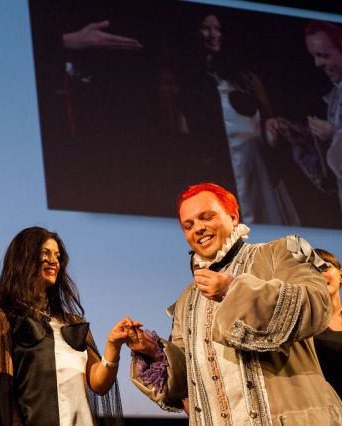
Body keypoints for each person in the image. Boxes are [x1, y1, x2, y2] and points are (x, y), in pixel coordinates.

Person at [124, 183, 342, 424]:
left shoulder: (279, 254)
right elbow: (188, 382)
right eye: (189, 225)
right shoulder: (188, 299)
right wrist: (152, 351)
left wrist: (233, 290)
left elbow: (317, 304)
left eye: (206, 217)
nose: (198, 228)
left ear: (233, 216)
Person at [0, 227, 126, 426]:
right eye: (45, 254)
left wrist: (113, 345)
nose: (54, 261)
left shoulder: (75, 324)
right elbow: (2, 393)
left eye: (57, 255)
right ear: (24, 259)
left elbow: (99, 384)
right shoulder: (2, 317)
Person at [172, 12, 298, 226]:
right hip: (214, 172)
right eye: (206, 28)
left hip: (256, 171)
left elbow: (266, 122)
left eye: (218, 29)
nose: (213, 34)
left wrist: (274, 128)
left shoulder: (245, 79)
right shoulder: (183, 81)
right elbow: (180, 132)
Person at [267, 20, 342, 216]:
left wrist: (334, 132)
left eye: (324, 55)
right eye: (314, 56)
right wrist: (305, 139)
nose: (317, 64)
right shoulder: (334, 95)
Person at [313, 248, 342, 397]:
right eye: (313, 270)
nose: (320, 274)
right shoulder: (308, 326)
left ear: (341, 275)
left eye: (326, 267)